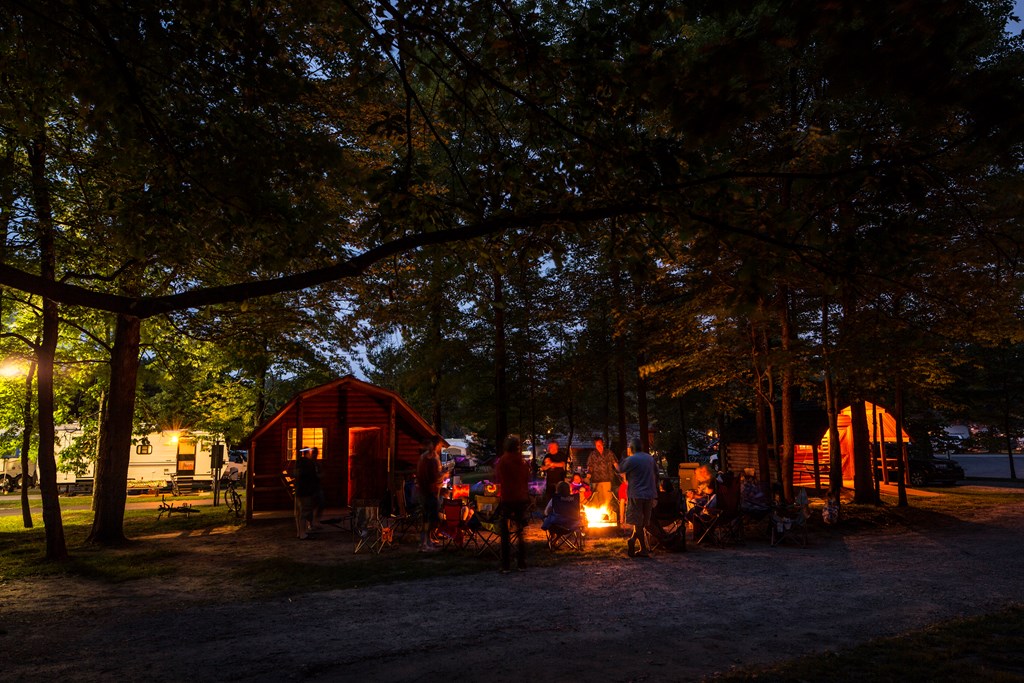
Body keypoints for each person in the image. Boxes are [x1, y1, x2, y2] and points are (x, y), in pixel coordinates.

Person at [616, 438, 659, 558]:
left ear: (632, 448)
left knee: (637, 522)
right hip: (649, 494)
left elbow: (620, 469)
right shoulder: (649, 458)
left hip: (636, 494)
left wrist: (618, 462)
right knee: (643, 522)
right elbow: (656, 473)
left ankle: (639, 545)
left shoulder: (631, 459)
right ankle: (639, 546)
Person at [495, 435, 530, 573]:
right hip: (521, 498)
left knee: (505, 532)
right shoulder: (521, 462)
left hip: (508, 498)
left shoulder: (503, 461)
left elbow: (499, 478)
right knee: (520, 531)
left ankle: (506, 565)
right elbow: (527, 478)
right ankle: (521, 562)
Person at [417, 436, 443, 552]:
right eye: (439, 446)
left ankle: (427, 541)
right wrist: (443, 475)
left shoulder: (427, 457)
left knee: (428, 517)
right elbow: (433, 476)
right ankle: (424, 544)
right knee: (429, 518)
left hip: (427, 490)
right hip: (428, 491)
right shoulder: (429, 459)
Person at [293, 448, 320, 540]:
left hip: (299, 491)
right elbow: (313, 477)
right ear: (307, 453)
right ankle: (303, 533)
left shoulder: (298, 463)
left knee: (299, 513)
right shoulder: (309, 464)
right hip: (306, 491)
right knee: (304, 512)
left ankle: (299, 532)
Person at [585, 437, 616, 517]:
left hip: (607, 479)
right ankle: (598, 517)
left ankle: (608, 516)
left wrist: (621, 471)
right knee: (596, 500)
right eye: (597, 445)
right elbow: (590, 466)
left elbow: (615, 463)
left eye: (600, 444)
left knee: (607, 500)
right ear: (595, 446)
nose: (599, 446)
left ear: (603, 444)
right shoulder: (592, 454)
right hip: (596, 480)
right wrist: (588, 475)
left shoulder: (609, 453)